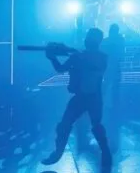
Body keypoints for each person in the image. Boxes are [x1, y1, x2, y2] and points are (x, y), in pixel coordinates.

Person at [42, 28, 111, 165]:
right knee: (72, 125)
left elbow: (63, 68)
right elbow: (62, 68)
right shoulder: (94, 56)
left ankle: (58, 153)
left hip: (89, 98)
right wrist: (54, 57)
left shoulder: (90, 57)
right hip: (91, 98)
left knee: (91, 125)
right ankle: (58, 153)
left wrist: (54, 57)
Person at [105, 23, 125, 110]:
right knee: (114, 86)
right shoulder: (120, 40)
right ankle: (115, 105)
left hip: (110, 66)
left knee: (108, 85)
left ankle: (107, 104)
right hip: (114, 66)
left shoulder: (106, 41)